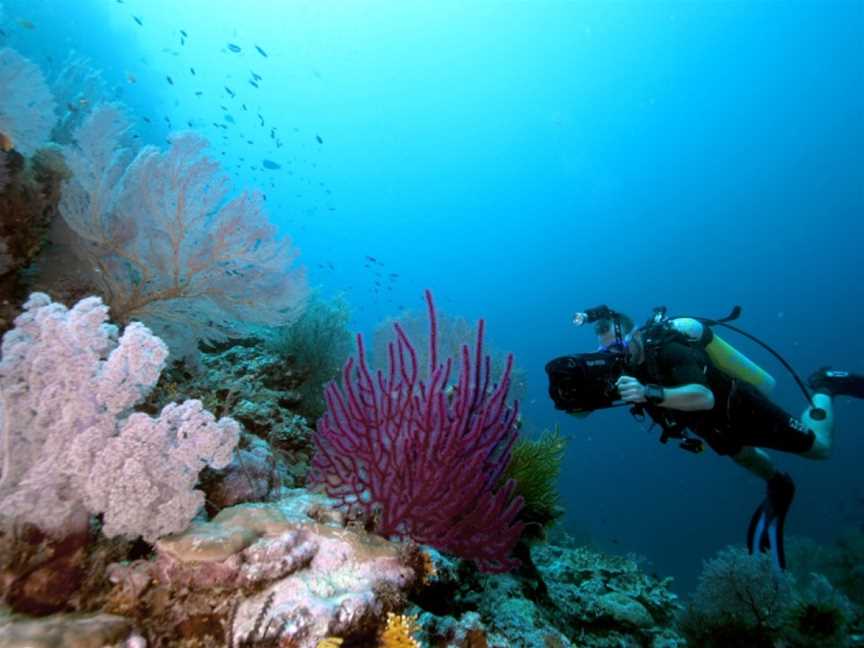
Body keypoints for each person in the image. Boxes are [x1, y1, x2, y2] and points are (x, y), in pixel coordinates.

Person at [570, 307, 864, 569]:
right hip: (709, 427)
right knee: (744, 456)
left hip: (742, 408)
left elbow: (704, 396)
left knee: (819, 449)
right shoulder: (623, 369)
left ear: (634, 335)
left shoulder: (669, 348)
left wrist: (649, 392)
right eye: (608, 351)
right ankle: (777, 481)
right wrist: (574, 399)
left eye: (619, 346)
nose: (617, 355)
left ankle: (826, 385)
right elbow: (585, 411)